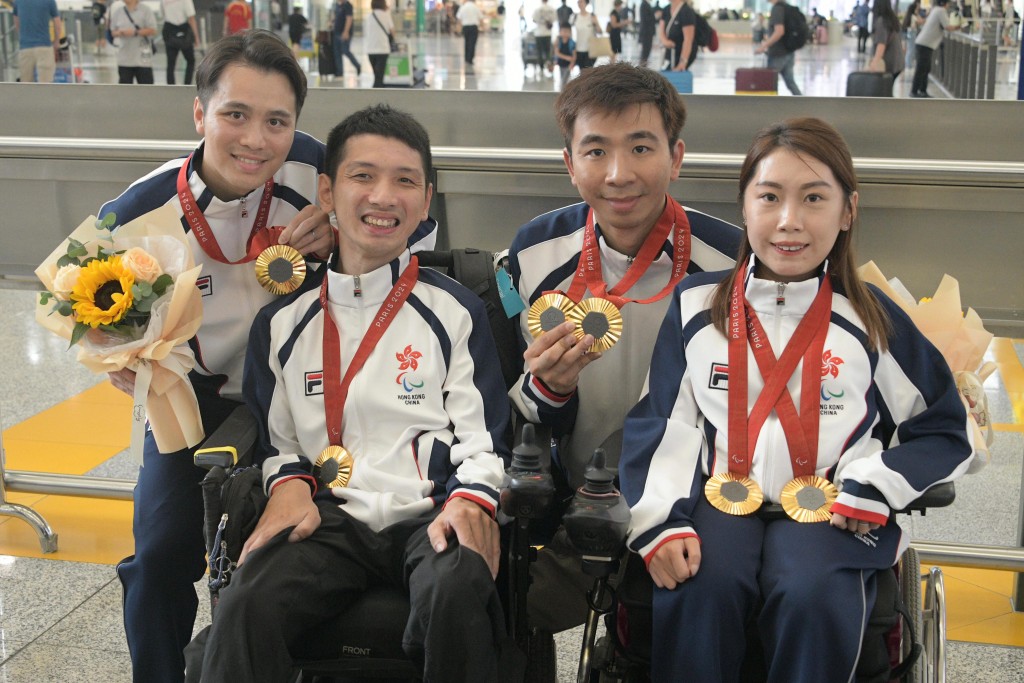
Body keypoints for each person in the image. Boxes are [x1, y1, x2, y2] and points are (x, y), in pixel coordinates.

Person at [619, 116, 974, 682]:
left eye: (814, 198)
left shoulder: (874, 319)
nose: (789, 221)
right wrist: (660, 523)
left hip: (832, 506)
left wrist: (877, 483)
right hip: (719, 498)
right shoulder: (696, 307)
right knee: (697, 585)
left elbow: (947, 431)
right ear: (745, 207)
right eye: (770, 196)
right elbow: (662, 424)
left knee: (811, 592)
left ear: (848, 211)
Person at [198, 103, 517, 683]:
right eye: (362, 176)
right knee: (247, 603)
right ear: (327, 190)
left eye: (405, 181)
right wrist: (288, 483)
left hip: (429, 512)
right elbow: (278, 439)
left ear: (425, 201)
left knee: (457, 592)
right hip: (327, 515)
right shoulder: (282, 322)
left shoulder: (457, 310)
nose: (383, 196)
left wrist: (472, 497)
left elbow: (483, 436)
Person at [98, 30, 347, 683]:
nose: (256, 139)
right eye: (235, 114)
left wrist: (347, 236)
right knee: (156, 555)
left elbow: (411, 241)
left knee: (304, 554)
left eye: (277, 121)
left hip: (309, 400)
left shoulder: (321, 175)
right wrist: (117, 358)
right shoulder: (140, 209)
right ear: (200, 113)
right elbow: (87, 307)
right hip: (192, 402)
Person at [508, 63, 742, 634]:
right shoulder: (534, 254)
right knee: (510, 612)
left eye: (641, 147)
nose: (618, 174)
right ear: (569, 163)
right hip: (579, 485)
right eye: (595, 152)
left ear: (676, 156)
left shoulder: (730, 264)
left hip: (695, 492)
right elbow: (525, 414)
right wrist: (551, 387)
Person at [757, 0, 803, 95]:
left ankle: (771, 106)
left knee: (770, 83)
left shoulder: (777, 9)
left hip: (778, 53)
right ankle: (802, 103)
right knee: (790, 82)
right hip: (789, 51)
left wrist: (764, 46)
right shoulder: (786, 8)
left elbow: (779, 31)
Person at [911, 0, 956, 97]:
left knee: (925, 68)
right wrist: (959, 26)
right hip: (925, 44)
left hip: (924, 43)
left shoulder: (935, 9)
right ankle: (914, 91)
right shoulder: (940, 11)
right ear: (946, 3)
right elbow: (947, 26)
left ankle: (922, 90)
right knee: (921, 68)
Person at [12, 0, 64, 83]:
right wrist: (56, 42)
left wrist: (22, 37)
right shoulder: (49, 1)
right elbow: (57, 23)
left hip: (25, 47)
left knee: (26, 84)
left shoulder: (18, 1)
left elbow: (16, 22)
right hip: (44, 47)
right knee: (46, 84)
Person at [108, 0, 158, 84]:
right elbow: (113, 31)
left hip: (143, 59)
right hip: (124, 59)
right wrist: (121, 33)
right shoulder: (118, 12)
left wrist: (135, 32)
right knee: (125, 90)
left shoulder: (146, 10)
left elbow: (153, 30)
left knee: (146, 90)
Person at [160, 0, 199, 85]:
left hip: (169, 30)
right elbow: (191, 18)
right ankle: (187, 84)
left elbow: (163, 15)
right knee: (190, 60)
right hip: (183, 32)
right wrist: (196, 37)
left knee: (171, 63)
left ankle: (171, 86)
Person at [869, 0, 904, 81]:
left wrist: (875, 62)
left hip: (888, 64)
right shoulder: (892, 19)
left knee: (883, 90)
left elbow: (881, 44)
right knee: (888, 88)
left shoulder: (881, 21)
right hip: (897, 62)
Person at [660, 0, 696, 71]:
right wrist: (665, 41)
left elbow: (688, 39)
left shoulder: (686, 11)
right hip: (668, 53)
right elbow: (661, 30)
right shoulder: (666, 9)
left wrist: (682, 62)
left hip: (680, 54)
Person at [365, 0, 394, 87]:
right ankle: (377, 94)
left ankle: (376, 92)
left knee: (376, 75)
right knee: (379, 77)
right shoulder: (386, 15)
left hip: (370, 50)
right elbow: (393, 32)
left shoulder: (369, 16)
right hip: (383, 49)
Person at [332, 0, 362, 79]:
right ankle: (340, 72)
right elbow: (336, 17)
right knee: (337, 53)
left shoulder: (347, 5)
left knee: (345, 51)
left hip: (344, 33)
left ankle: (357, 65)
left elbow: (349, 18)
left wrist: (346, 31)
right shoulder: (337, 5)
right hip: (336, 32)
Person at [571, 0, 601, 68]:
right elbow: (569, 32)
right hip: (578, 49)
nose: (579, 3)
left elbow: (600, 31)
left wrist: (595, 23)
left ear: (586, 3)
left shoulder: (592, 16)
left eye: (581, 1)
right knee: (582, 72)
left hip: (591, 49)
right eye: (578, 2)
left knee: (588, 71)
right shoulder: (574, 16)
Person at [533, 0, 558, 73]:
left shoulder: (537, 9)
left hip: (538, 33)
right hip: (548, 33)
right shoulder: (552, 9)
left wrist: (541, 21)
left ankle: (541, 68)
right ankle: (549, 68)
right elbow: (554, 20)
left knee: (539, 52)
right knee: (548, 52)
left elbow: (534, 20)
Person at [456, 0, 482, 66]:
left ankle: (466, 58)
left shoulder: (463, 7)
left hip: (465, 27)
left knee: (466, 42)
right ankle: (470, 59)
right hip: (474, 27)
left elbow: (459, 17)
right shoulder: (475, 7)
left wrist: (458, 27)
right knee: (472, 43)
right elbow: (480, 17)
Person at [553, 20, 576, 85]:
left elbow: (574, 56)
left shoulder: (571, 42)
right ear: (560, 32)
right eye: (564, 31)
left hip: (568, 65)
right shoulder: (559, 41)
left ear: (570, 32)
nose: (565, 33)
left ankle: (563, 91)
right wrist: (567, 58)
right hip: (561, 64)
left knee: (565, 80)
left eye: (567, 31)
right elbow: (556, 52)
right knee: (562, 77)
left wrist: (572, 63)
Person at [901, 0, 922, 70]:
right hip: (912, 32)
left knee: (908, 49)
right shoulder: (914, 16)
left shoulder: (908, 16)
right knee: (911, 49)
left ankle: (907, 64)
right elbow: (921, 21)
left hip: (908, 32)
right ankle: (908, 65)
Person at [637, 0, 656, 65]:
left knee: (646, 51)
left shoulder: (646, 4)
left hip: (648, 32)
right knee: (645, 52)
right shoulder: (644, 4)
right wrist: (655, 16)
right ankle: (642, 69)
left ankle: (643, 68)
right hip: (646, 32)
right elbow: (646, 19)